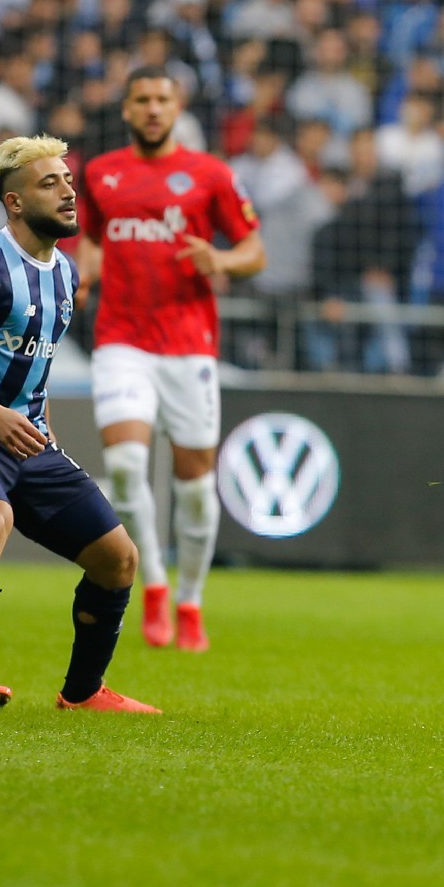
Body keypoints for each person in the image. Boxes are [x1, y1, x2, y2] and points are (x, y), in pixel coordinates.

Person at [0, 135, 158, 714]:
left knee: (118, 559)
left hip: (26, 439)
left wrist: (31, 423)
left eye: (68, 180)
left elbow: (27, 365)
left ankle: (83, 693)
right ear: (14, 202)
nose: (68, 191)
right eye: (50, 184)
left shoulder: (64, 273)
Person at [75, 68, 266, 652]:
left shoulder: (210, 174)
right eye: (142, 100)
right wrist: (81, 276)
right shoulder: (100, 173)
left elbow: (256, 252)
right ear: (127, 109)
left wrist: (223, 261)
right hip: (122, 341)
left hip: (189, 346)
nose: (154, 109)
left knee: (195, 488)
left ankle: (191, 602)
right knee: (129, 465)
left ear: (177, 108)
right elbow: (89, 237)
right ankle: (154, 586)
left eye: (163, 100)